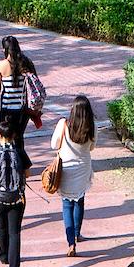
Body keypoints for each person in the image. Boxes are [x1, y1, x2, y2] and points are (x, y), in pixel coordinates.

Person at [0, 117, 33, 267]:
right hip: (17, 198)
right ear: (14, 135)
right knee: (15, 232)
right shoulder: (19, 152)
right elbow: (27, 174)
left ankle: (3, 254)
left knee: (1, 225)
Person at [50, 94, 95, 256]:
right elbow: (91, 148)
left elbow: (54, 144)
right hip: (83, 169)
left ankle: (71, 243)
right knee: (80, 201)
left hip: (66, 169)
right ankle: (77, 233)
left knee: (67, 205)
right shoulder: (91, 126)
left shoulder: (64, 123)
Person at [0, 34, 38, 137]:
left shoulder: (0, 65)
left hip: (7, 108)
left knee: (6, 139)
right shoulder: (26, 63)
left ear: (4, 49)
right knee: (19, 139)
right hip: (23, 109)